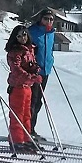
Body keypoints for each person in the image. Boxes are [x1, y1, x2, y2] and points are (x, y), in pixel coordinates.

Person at [5, 25, 41, 151]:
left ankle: (26, 138)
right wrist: (31, 76)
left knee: (27, 114)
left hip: (27, 87)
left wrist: (35, 69)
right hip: (18, 86)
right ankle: (16, 140)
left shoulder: (29, 50)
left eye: (24, 35)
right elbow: (16, 69)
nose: (22, 38)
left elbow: (31, 65)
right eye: (19, 36)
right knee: (17, 114)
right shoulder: (15, 51)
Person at [27, 9, 56, 141]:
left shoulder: (51, 33)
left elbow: (50, 50)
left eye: (51, 19)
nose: (48, 21)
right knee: (31, 101)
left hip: (45, 71)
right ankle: (27, 130)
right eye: (46, 18)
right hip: (33, 71)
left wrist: (51, 60)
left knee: (38, 102)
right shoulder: (32, 31)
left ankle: (32, 129)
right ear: (41, 18)